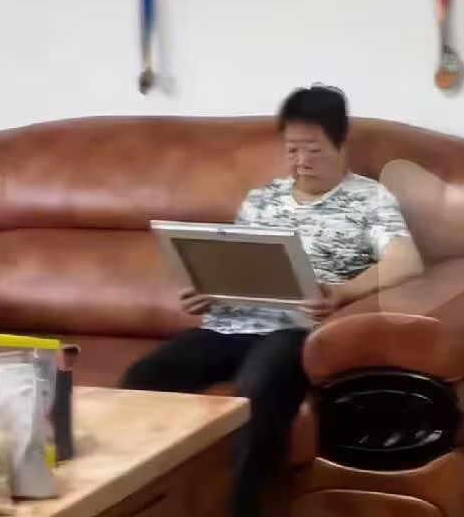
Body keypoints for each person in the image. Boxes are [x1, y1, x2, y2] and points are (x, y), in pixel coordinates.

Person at [121, 85, 422, 517]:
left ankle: (241, 509)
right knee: (145, 376)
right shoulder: (263, 199)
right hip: (230, 325)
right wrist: (207, 293)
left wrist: (342, 292)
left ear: (342, 144)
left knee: (258, 387)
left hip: (297, 330)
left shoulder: (369, 199)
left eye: (313, 150)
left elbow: (405, 261)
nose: (301, 161)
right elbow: (232, 258)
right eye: (292, 150)